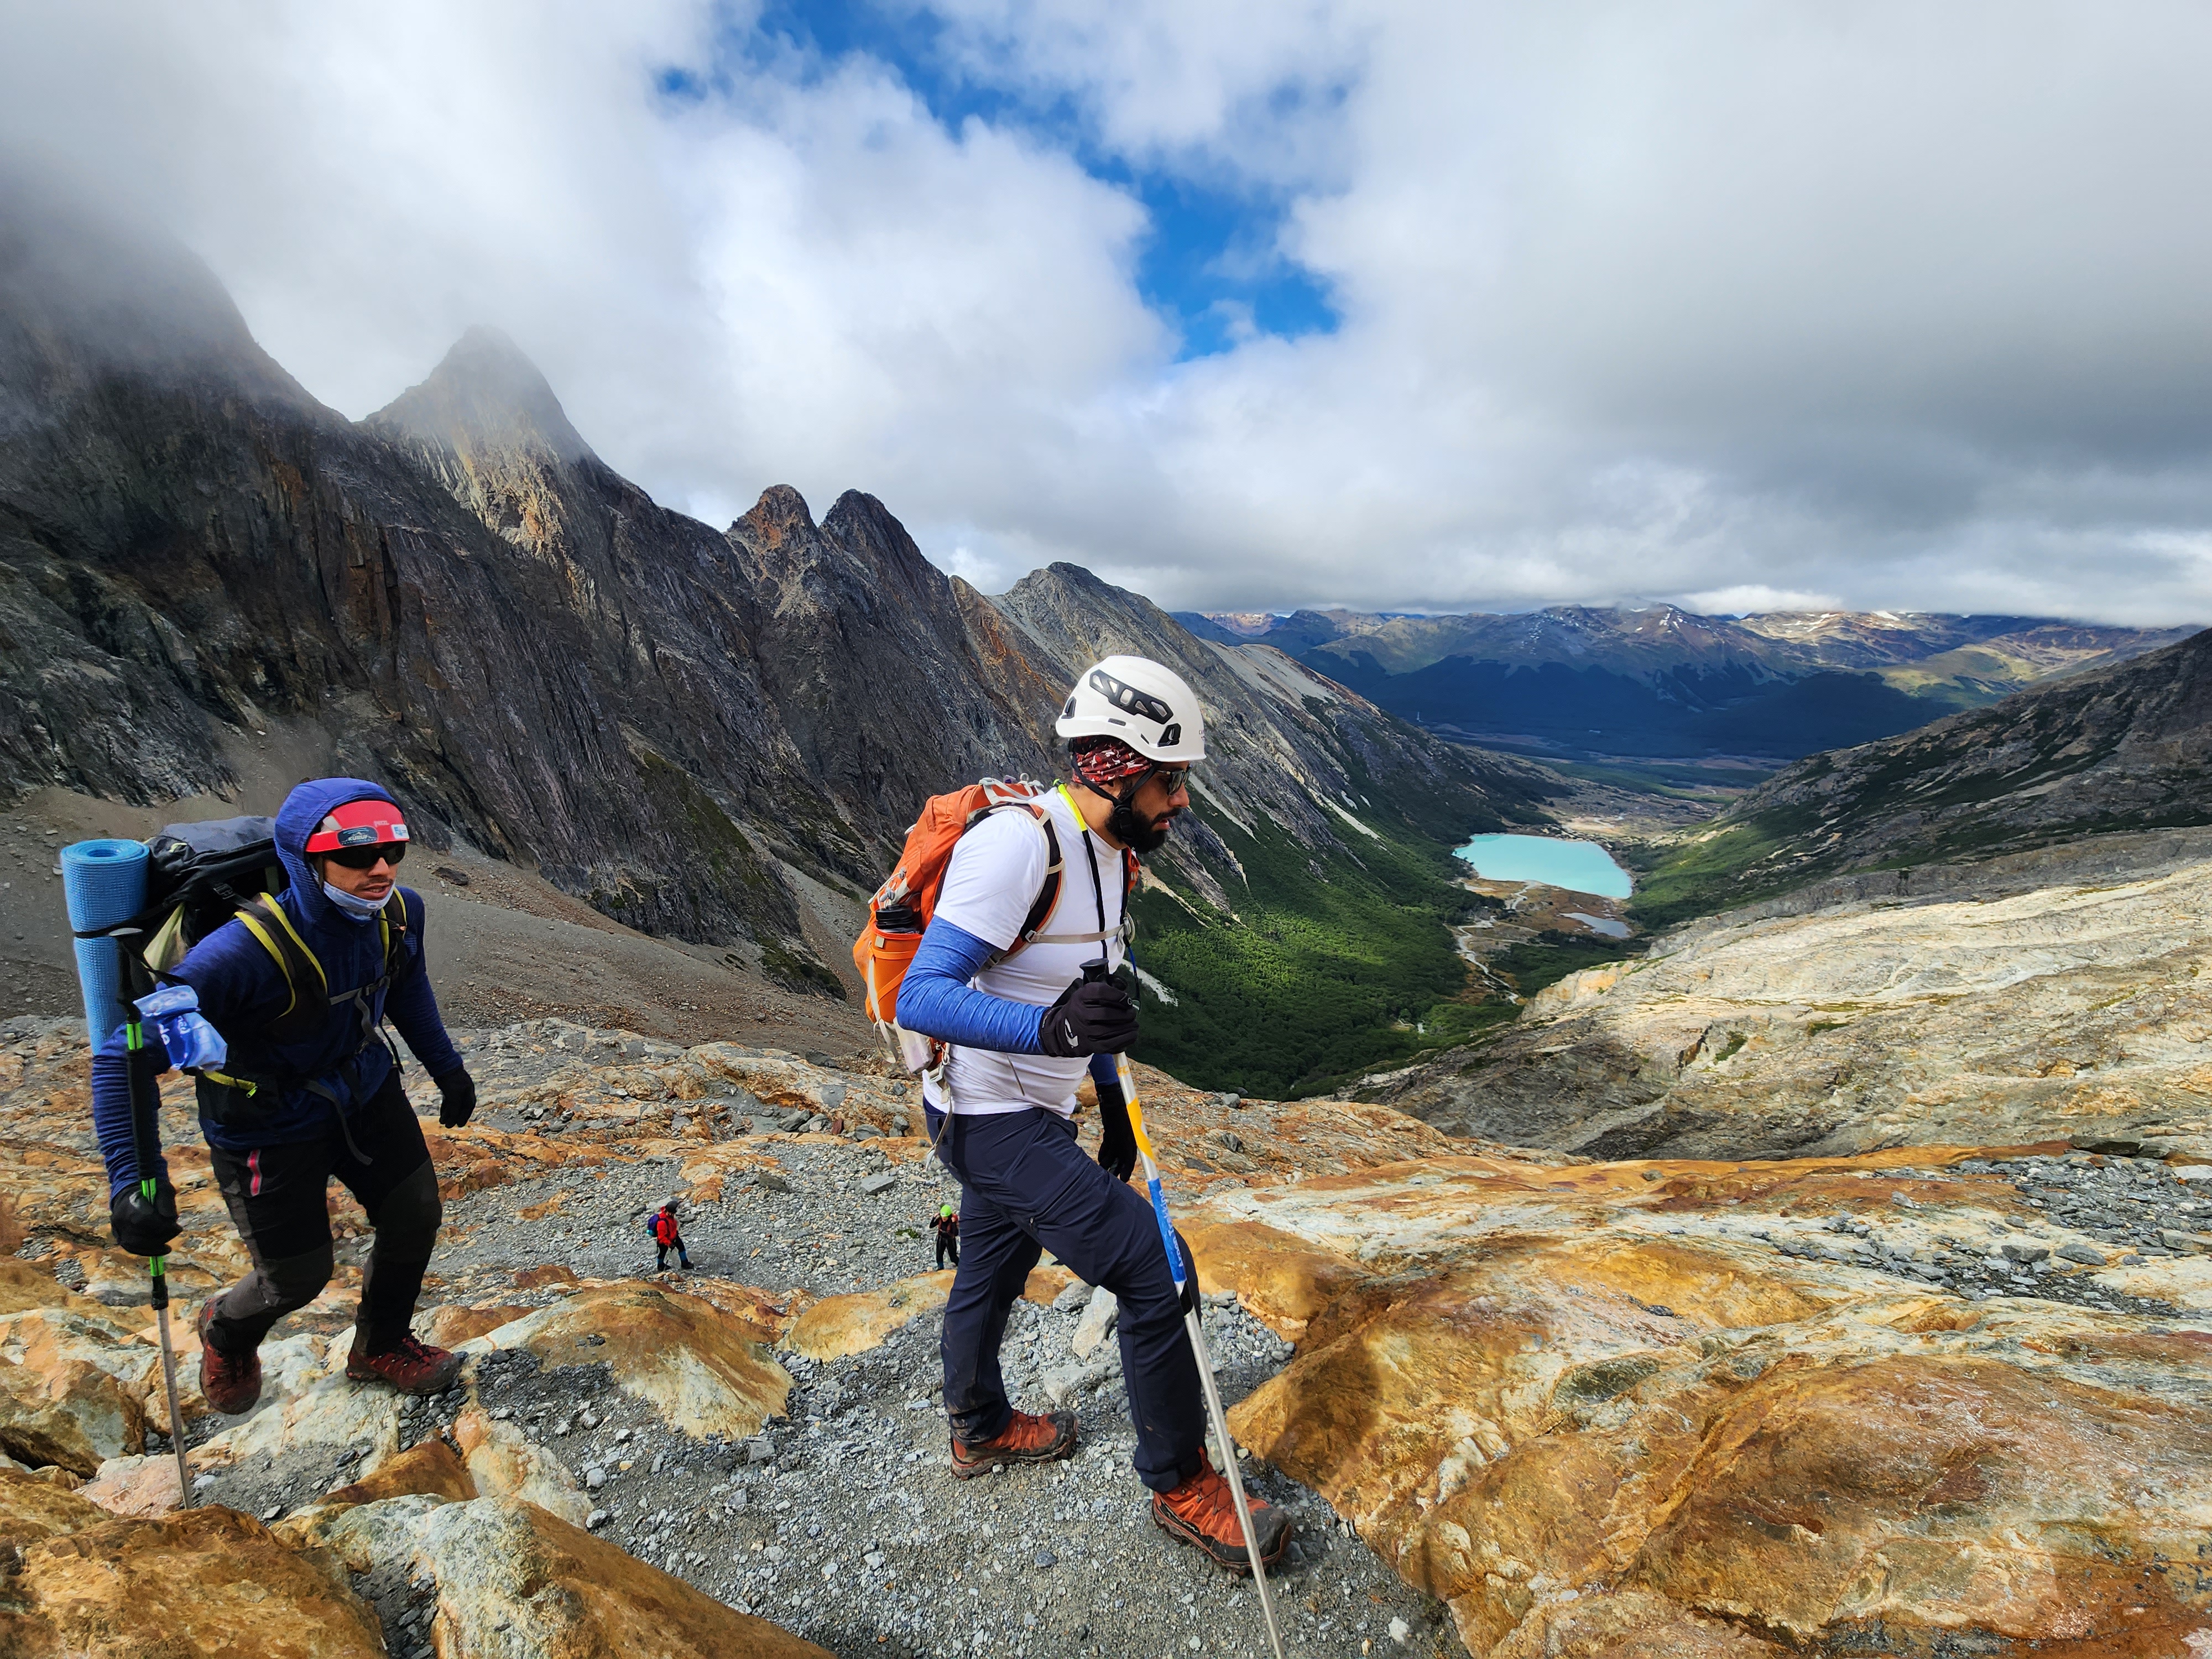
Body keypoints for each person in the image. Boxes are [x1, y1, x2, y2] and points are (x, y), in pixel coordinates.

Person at [894, 655, 1292, 1573]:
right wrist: (1050, 1028)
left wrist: (1108, 1094)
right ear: (1116, 768)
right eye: (1170, 779)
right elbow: (923, 996)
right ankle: (1181, 1484)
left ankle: (980, 1427)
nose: (1181, 802)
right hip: (990, 1119)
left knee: (991, 1276)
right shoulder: (1018, 847)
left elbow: (1096, 993)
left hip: (1020, 1111)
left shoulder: (1110, 856)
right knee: (1160, 1268)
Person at [92, 779, 477, 1415]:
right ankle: (226, 1329)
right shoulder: (240, 954)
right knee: (297, 1277)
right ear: (308, 859)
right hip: (265, 1121)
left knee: (414, 1214)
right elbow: (123, 1055)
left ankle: (379, 1345)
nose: (380, 868)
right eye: (356, 857)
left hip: (363, 1087)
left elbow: (406, 987)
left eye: (392, 849)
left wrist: (448, 1070)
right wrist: (135, 1182)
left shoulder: (400, 912)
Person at [651, 1202, 692, 1271]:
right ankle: (660, 1266)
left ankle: (685, 1263)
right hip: (664, 1241)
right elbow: (661, 1237)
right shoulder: (662, 1222)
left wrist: (675, 1233)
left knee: (681, 1247)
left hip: (674, 1236)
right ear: (670, 1212)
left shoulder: (670, 1217)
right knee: (663, 1252)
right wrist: (669, 1244)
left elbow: (672, 1227)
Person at [932, 1202, 960, 1269]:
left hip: (950, 1240)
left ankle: (961, 1266)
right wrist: (934, 1218)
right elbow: (931, 1226)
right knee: (939, 1255)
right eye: (943, 1217)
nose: (944, 1219)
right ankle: (940, 1268)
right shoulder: (940, 1220)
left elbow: (956, 1233)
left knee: (953, 1257)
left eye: (945, 1217)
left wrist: (953, 1224)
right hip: (941, 1239)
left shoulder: (951, 1221)